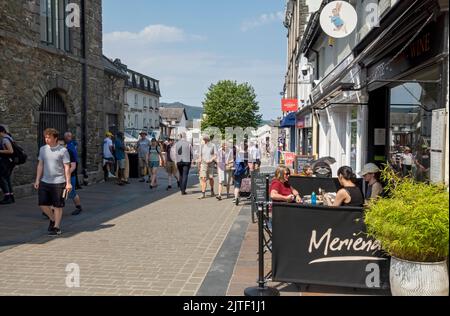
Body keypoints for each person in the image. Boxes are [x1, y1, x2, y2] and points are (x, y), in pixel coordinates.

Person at [34, 128, 72, 236]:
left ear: (55, 138)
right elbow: (40, 164)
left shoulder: (63, 151)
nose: (47, 139)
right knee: (42, 204)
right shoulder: (43, 149)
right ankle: (52, 219)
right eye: (45, 137)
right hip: (45, 181)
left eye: (49, 137)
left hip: (59, 182)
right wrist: (37, 179)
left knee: (57, 206)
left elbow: (66, 167)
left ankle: (56, 227)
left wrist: (68, 183)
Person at [64, 132, 83, 215]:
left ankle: (79, 207)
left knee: (72, 192)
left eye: (70, 136)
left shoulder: (70, 147)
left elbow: (73, 165)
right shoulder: (70, 145)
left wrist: (66, 174)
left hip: (72, 167)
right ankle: (52, 209)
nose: (69, 137)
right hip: (69, 168)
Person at [198, 135, 217, 199]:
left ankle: (212, 190)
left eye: (206, 140)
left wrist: (211, 160)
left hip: (210, 164)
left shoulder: (213, 145)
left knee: (211, 178)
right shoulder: (202, 146)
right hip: (203, 164)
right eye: (204, 140)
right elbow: (200, 155)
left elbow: (215, 155)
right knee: (203, 178)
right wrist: (199, 163)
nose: (205, 141)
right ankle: (203, 193)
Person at [0, 126, 15, 204]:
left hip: (6, 162)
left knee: (2, 178)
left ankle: (7, 197)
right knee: (7, 178)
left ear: (1, 132)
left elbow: (10, 151)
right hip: (10, 161)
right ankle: (11, 196)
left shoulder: (5, 139)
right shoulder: (9, 137)